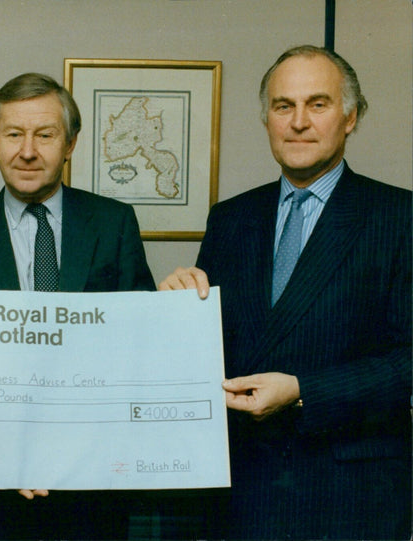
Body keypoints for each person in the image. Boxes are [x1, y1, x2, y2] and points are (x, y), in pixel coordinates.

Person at [160, 45, 411, 539]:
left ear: (350, 117)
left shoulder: (400, 218)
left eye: (317, 104)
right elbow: (210, 353)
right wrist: (174, 309)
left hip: (351, 495)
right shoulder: (231, 219)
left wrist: (303, 392)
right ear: (267, 119)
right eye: (283, 106)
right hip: (243, 492)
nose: (298, 122)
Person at [0, 73, 155, 539]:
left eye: (45, 135)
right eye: (13, 134)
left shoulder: (113, 224)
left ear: (70, 143)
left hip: (91, 483)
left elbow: (137, 348)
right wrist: (12, 456)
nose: (27, 151)